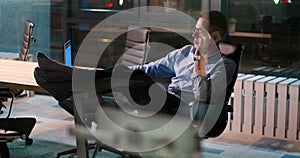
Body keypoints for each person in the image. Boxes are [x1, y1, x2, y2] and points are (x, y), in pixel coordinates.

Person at [34, 10, 235, 120]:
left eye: (200, 31)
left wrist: (199, 62)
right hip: (163, 100)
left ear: (215, 36)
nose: (193, 34)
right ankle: (68, 77)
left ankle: (66, 79)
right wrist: (120, 73)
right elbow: (149, 69)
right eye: (195, 29)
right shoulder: (183, 53)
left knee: (144, 86)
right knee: (128, 73)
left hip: (181, 108)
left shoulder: (224, 66)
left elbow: (204, 97)